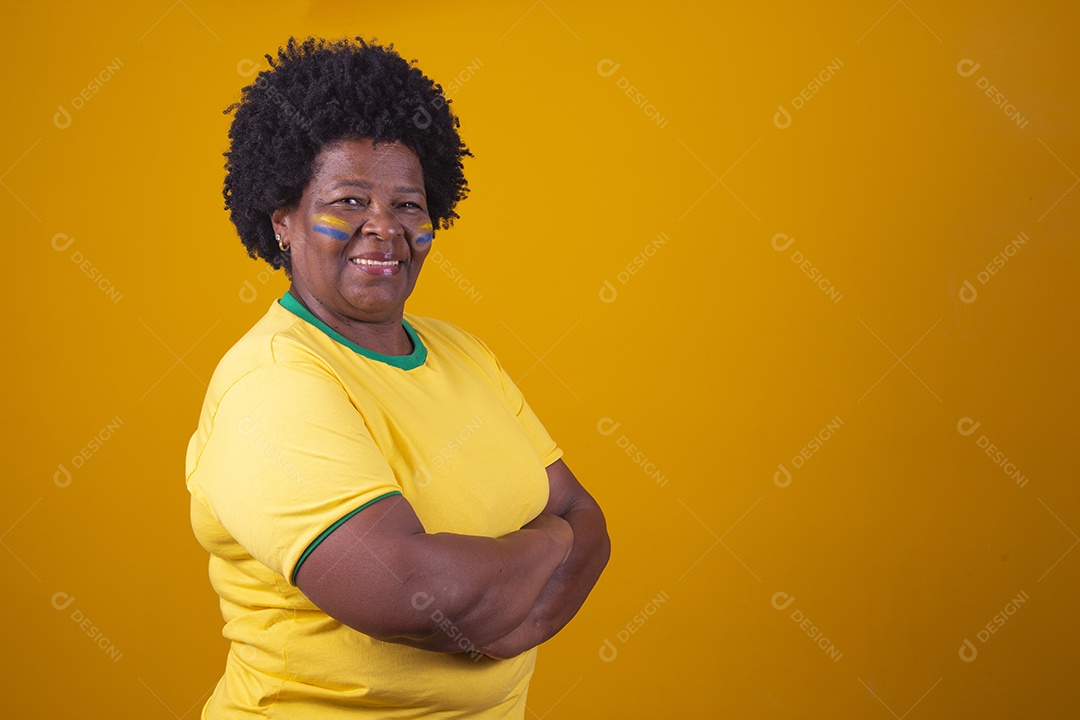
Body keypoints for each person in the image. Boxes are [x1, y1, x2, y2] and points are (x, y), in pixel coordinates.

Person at [184, 36, 610, 719]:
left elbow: (588, 518)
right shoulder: (272, 385)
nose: (384, 228)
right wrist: (550, 545)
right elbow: (408, 593)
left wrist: (510, 615)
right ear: (284, 220)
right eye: (348, 201)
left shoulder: (464, 353)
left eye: (409, 205)